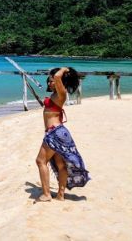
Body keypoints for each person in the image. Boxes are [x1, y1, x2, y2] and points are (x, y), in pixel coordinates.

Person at [34, 66, 90, 202]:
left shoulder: (61, 93)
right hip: (58, 132)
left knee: (40, 161)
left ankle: (47, 194)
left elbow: (59, 76)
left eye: (52, 80)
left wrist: (64, 69)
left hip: (54, 132)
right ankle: (60, 195)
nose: (50, 83)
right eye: (48, 81)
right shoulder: (55, 95)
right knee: (60, 164)